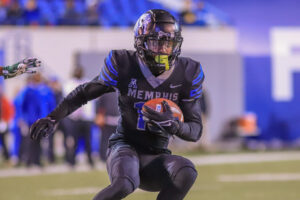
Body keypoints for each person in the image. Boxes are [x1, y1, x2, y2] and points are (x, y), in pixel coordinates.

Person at [30, 9, 205, 200]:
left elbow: (195, 130)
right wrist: (53, 117)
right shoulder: (123, 63)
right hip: (124, 148)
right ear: (141, 42)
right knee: (125, 183)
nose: (162, 49)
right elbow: (84, 93)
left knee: (186, 171)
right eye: (156, 42)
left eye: (168, 43)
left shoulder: (189, 71)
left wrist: (174, 125)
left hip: (156, 155)